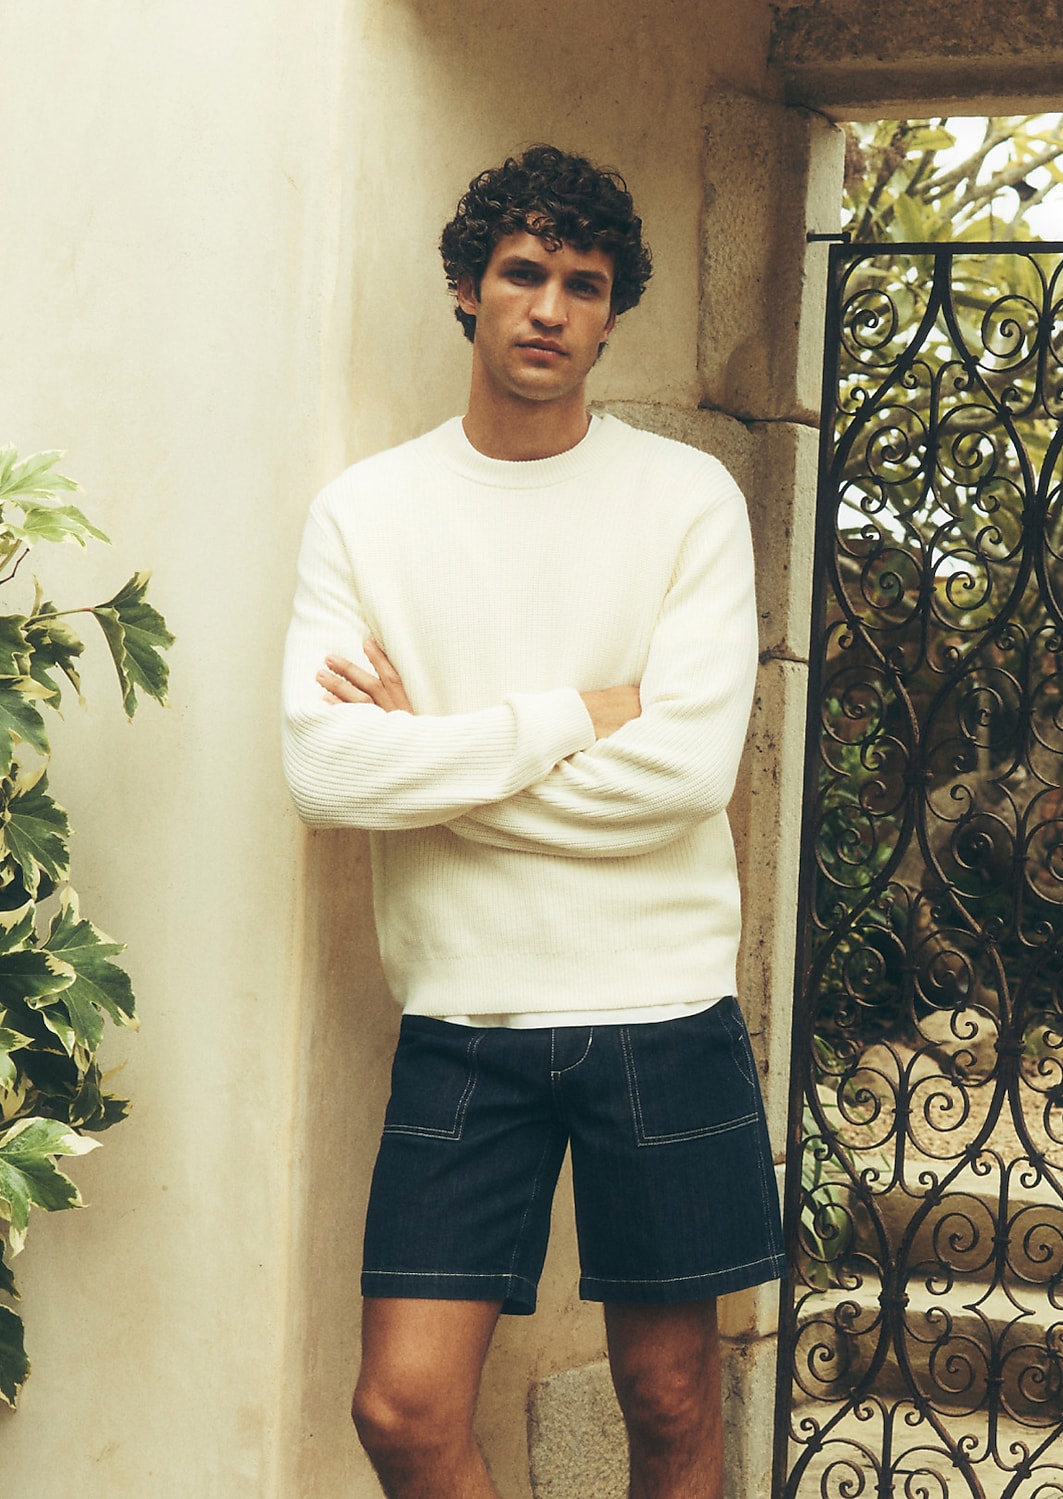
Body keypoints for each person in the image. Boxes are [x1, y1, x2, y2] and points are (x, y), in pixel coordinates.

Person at [281, 144, 783, 1499]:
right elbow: (327, 777)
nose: (550, 308)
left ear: (611, 313)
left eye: (584, 283)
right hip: (465, 1015)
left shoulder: (685, 500)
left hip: (661, 1004)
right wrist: (571, 715)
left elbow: (685, 775)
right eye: (522, 273)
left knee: (670, 1399)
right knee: (402, 1410)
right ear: (468, 288)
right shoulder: (366, 514)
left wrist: (432, 764)